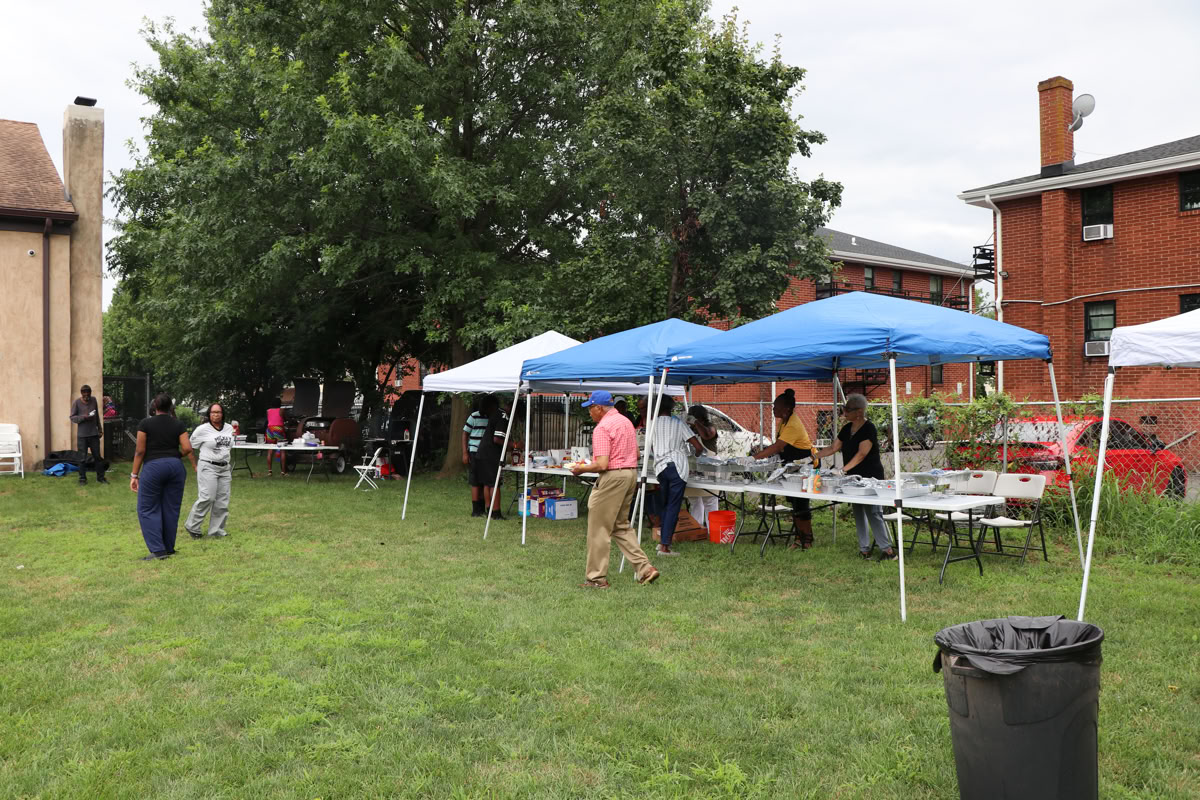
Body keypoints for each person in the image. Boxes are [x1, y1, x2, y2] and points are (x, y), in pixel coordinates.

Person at [571, 390, 659, 588]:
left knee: (599, 529)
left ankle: (596, 579)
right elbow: (636, 453)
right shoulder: (626, 422)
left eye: (590, 408)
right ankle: (645, 569)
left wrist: (581, 468)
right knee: (621, 526)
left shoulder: (602, 428)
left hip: (612, 477)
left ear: (599, 408)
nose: (589, 412)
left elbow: (602, 464)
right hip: (630, 474)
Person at [813, 393, 896, 560]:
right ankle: (864, 549)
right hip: (853, 478)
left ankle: (887, 551)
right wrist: (814, 456)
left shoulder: (869, 428)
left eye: (847, 409)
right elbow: (833, 448)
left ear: (859, 412)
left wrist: (842, 470)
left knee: (873, 512)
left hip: (871, 477)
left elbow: (861, 454)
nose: (844, 412)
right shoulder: (847, 429)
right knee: (858, 511)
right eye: (844, 409)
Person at [130, 394, 197, 560]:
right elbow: (187, 448)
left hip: (153, 467)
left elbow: (140, 451)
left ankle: (158, 551)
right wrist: (175, 456)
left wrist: (134, 475)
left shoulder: (145, 424)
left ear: (154, 407)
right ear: (170, 408)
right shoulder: (178, 424)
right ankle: (169, 548)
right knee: (171, 508)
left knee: (147, 508)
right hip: (175, 467)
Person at [752, 388, 815, 549]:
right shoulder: (784, 422)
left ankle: (806, 540)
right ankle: (799, 537)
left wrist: (754, 458)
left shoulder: (793, 424)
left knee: (801, 504)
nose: (773, 409)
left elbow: (778, 446)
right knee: (795, 503)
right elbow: (779, 448)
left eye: (776, 407)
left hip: (804, 467)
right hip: (791, 467)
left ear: (786, 409)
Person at [646, 397, 703, 556]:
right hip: (677, 466)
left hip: (660, 467)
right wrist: (695, 456)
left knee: (665, 505)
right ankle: (665, 546)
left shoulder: (651, 424)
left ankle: (662, 541)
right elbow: (698, 446)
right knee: (673, 506)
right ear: (671, 408)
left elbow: (651, 447)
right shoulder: (678, 423)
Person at [185, 402, 234, 539]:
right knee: (207, 497)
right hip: (208, 466)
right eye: (213, 412)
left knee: (222, 500)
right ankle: (192, 526)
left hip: (224, 467)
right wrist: (194, 465)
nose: (216, 415)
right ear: (209, 414)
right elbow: (189, 447)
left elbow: (229, 444)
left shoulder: (229, 428)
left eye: (218, 412)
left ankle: (216, 531)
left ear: (222, 414)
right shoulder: (202, 429)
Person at [473, 394, 509, 520]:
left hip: (482, 453)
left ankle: (489, 510)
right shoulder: (502, 415)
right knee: (494, 483)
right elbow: (497, 439)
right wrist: (514, 445)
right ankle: (496, 512)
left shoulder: (493, 415)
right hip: (490, 453)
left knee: (487, 484)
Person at [687, 405, 720, 529]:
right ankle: (696, 528)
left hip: (710, 465)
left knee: (710, 498)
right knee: (694, 498)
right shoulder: (689, 429)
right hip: (694, 464)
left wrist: (696, 423)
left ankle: (713, 529)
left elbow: (707, 435)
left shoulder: (710, 427)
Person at [68, 384, 106, 485]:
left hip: (93, 434)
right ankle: (82, 479)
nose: (86, 395)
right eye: (84, 393)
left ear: (90, 393)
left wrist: (100, 429)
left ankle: (101, 478)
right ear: (81, 393)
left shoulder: (94, 400)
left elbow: (97, 416)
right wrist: (84, 417)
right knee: (82, 459)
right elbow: (72, 417)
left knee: (97, 457)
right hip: (82, 436)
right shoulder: (77, 403)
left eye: (88, 393)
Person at [463, 395, 492, 516]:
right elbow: (465, 433)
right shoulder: (473, 416)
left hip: (486, 453)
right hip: (474, 451)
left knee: (484, 481)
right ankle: (476, 510)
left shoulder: (491, 417)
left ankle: (483, 507)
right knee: (475, 481)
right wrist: (465, 453)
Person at [264, 399, 288, 476]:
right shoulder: (281, 410)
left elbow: (270, 420)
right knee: (282, 450)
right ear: (280, 404)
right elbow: (286, 419)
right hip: (278, 429)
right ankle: (283, 472)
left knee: (270, 450)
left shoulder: (268, 411)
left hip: (269, 430)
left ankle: (270, 471)